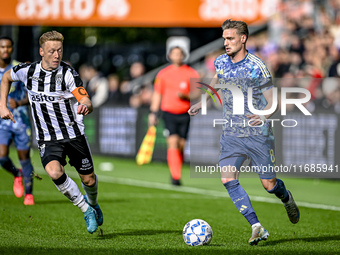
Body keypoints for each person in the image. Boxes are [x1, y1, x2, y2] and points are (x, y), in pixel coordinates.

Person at [188, 19, 300, 245]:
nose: (226, 43)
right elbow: (216, 82)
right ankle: (256, 226)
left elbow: (272, 101)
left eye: (230, 38)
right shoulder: (220, 61)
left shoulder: (257, 67)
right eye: (224, 38)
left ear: (243, 38)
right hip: (231, 133)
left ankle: (286, 198)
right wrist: (203, 102)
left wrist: (263, 116)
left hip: (258, 134)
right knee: (227, 178)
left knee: (269, 185)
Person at [0, 31, 103, 234]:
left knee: (88, 179)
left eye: (60, 51)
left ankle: (93, 203)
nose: (57, 55)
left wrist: (86, 106)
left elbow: (85, 99)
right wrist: (2, 106)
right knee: (54, 172)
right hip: (47, 138)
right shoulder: (27, 71)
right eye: (52, 51)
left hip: (73, 134)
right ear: (42, 52)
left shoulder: (68, 74)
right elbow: (6, 77)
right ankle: (86, 210)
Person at [149, 44, 200, 185]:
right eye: (174, 53)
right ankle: (175, 177)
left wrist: (185, 95)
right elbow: (157, 94)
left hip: (184, 113)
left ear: (183, 56)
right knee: (172, 142)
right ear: (170, 56)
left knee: (181, 145)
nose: (177, 56)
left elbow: (197, 93)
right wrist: (153, 112)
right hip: (168, 112)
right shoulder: (163, 74)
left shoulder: (191, 73)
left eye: (179, 53)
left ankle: (177, 171)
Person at [0, 36, 35, 205]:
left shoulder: (20, 68)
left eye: (8, 47)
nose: (5, 50)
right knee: (2, 156)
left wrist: (19, 102)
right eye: (2, 47)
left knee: (24, 157)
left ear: (12, 49)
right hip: (2, 122)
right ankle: (17, 174)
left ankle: (29, 194)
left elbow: (33, 95)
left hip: (20, 121)